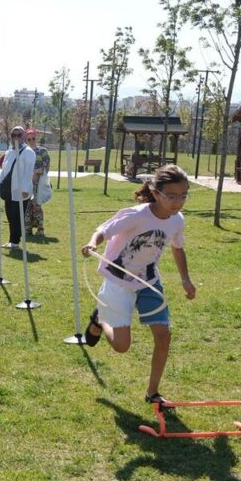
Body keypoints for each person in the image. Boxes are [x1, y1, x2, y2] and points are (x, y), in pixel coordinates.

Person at [81, 165, 196, 406]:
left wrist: (185, 279)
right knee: (122, 346)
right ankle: (100, 319)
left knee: (163, 336)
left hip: (148, 282)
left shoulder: (177, 221)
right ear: (155, 193)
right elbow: (104, 230)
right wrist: (93, 244)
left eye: (183, 196)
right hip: (118, 281)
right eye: (171, 196)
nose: (178, 202)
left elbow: (177, 248)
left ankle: (153, 393)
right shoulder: (135, 215)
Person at [0, 126, 35, 248]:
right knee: (10, 215)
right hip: (9, 189)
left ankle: (15, 241)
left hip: (21, 189)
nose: (16, 137)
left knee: (18, 216)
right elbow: (4, 171)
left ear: (24, 136)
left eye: (19, 135)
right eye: (14, 135)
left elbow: (29, 172)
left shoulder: (28, 152)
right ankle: (12, 240)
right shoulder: (9, 152)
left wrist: (25, 189)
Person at [25, 129, 50, 237]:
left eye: (33, 138)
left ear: (36, 138)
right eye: (29, 139)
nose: (31, 141)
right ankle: (27, 229)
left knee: (36, 205)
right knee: (26, 206)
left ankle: (40, 229)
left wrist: (36, 172)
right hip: (26, 183)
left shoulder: (42, 151)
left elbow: (46, 166)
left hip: (38, 184)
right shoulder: (24, 152)